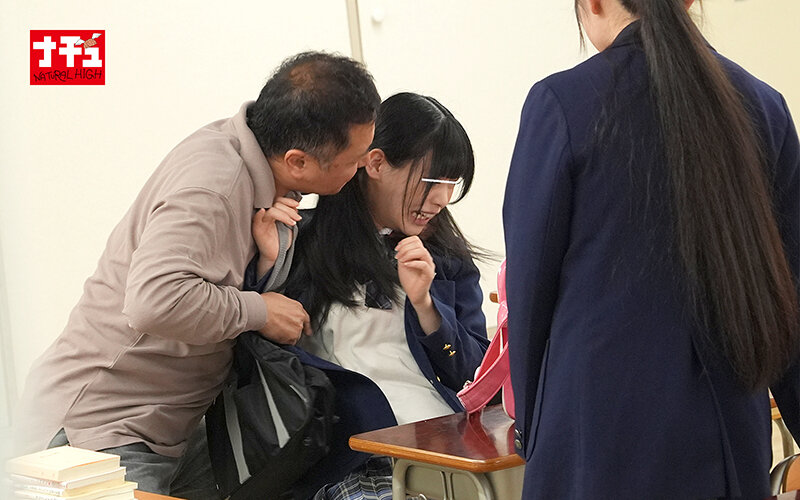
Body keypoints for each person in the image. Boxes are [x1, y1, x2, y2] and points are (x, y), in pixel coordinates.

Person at [15, 51, 380, 498]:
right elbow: (155, 300)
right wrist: (260, 310)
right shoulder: (214, 184)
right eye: (354, 159)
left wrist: (267, 266)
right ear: (298, 161)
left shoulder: (259, 168)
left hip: (174, 426)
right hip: (103, 429)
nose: (361, 168)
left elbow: (212, 282)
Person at [503, 0, 800, 498]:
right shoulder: (764, 107)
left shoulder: (562, 103)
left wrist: (533, 427)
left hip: (599, 432)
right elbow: (791, 293)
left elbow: (530, 289)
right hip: (730, 434)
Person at [250, 92, 490, 498]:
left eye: (452, 184)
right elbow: (264, 353)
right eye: (432, 182)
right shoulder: (302, 240)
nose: (442, 199)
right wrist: (269, 267)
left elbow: (475, 374)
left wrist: (426, 307)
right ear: (375, 163)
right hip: (353, 453)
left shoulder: (445, 257)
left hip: (444, 445)